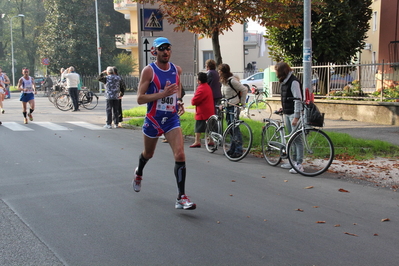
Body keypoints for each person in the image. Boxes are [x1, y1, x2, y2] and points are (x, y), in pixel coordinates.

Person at [133, 37, 196, 210]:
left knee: (180, 155)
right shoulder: (149, 71)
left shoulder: (177, 70)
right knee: (148, 153)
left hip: (171, 119)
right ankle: (139, 172)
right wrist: (162, 94)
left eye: (168, 48)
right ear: (155, 51)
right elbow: (140, 98)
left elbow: (177, 91)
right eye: (162, 49)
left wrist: (178, 102)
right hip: (153, 119)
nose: (166, 52)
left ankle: (181, 197)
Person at [275, 62, 304, 174]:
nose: (276, 73)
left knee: (297, 139)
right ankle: (292, 161)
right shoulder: (285, 82)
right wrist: (283, 108)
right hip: (287, 113)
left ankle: (299, 163)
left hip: (293, 114)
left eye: (277, 71)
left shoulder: (293, 82)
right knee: (291, 140)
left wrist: (296, 116)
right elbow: (288, 98)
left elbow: (298, 99)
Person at [218, 63, 247, 158]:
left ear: (222, 72)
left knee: (235, 128)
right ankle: (232, 148)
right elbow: (225, 95)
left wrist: (242, 103)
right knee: (230, 128)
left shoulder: (232, 81)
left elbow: (244, 89)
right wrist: (222, 104)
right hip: (228, 106)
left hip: (234, 106)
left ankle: (238, 150)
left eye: (219, 70)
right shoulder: (224, 81)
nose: (218, 72)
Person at [190, 72, 215, 148]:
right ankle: (211, 140)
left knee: (198, 126)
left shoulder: (201, 88)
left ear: (199, 81)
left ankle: (197, 141)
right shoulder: (207, 86)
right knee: (209, 126)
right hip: (209, 110)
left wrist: (193, 99)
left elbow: (194, 101)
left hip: (202, 111)